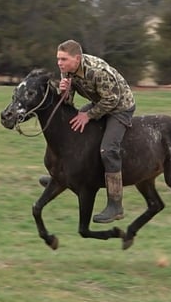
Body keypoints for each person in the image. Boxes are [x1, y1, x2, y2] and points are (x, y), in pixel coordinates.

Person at [40, 39, 136, 224]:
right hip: (98, 102)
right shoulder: (66, 69)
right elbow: (68, 102)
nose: (59, 63)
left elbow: (112, 100)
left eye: (63, 59)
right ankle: (60, 177)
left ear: (76, 59)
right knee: (70, 128)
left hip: (120, 107)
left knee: (108, 150)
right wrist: (65, 92)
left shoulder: (97, 72)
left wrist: (89, 115)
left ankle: (115, 205)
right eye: (58, 59)